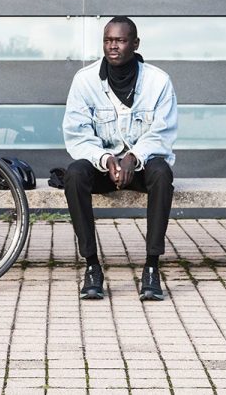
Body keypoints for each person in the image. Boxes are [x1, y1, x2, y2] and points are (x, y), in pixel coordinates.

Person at [62, 16, 177, 301]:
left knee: (162, 173)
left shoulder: (158, 81)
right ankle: (91, 266)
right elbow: (76, 135)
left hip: (139, 168)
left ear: (135, 44)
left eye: (120, 40)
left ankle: (152, 267)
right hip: (103, 168)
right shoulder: (85, 80)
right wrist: (105, 159)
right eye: (108, 40)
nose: (113, 46)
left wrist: (132, 158)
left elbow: (162, 133)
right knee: (74, 173)